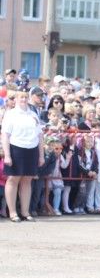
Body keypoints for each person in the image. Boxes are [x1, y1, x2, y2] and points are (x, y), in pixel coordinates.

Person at [1, 90, 43, 222]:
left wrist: (41, 156)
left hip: (31, 149)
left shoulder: (33, 114)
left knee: (27, 180)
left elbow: (40, 136)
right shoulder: (10, 114)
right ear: (15, 99)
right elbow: (5, 135)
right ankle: (13, 213)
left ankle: (25, 212)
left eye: (25, 97)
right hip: (15, 148)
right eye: (21, 97)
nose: (23, 99)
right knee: (13, 179)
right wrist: (7, 155)